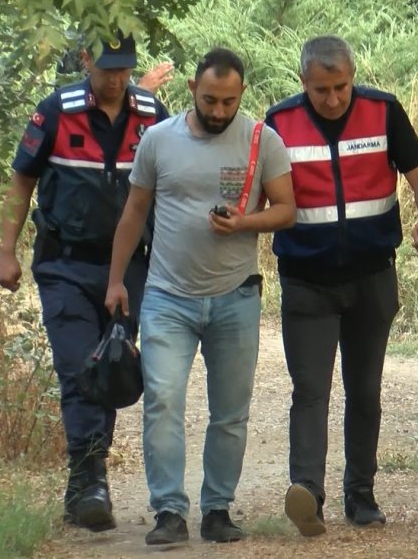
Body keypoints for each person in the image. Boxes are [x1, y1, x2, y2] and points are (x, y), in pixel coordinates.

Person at [104, 47, 296, 545]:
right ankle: (169, 511)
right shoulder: (158, 140)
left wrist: (245, 223)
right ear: (191, 89)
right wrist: (116, 280)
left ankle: (218, 510)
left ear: (242, 96)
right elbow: (133, 212)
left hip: (236, 297)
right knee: (163, 401)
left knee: (230, 411)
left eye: (228, 102)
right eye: (210, 99)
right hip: (168, 297)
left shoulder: (262, 139)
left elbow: (286, 209)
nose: (218, 111)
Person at [264, 35, 418, 537]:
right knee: (310, 390)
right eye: (322, 89)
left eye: (342, 86)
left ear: (353, 77)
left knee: (365, 391)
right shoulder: (278, 123)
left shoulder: (383, 112)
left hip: (371, 276)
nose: (334, 98)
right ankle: (308, 494)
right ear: (304, 83)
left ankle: (361, 495)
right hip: (306, 280)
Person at [0, 33, 170, 532]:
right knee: (78, 368)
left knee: (110, 367)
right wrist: (6, 252)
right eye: (107, 68)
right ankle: (89, 478)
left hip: (132, 267)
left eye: (125, 69)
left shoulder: (152, 112)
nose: (116, 79)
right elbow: (21, 184)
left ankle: (86, 480)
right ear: (86, 59)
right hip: (65, 264)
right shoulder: (55, 112)